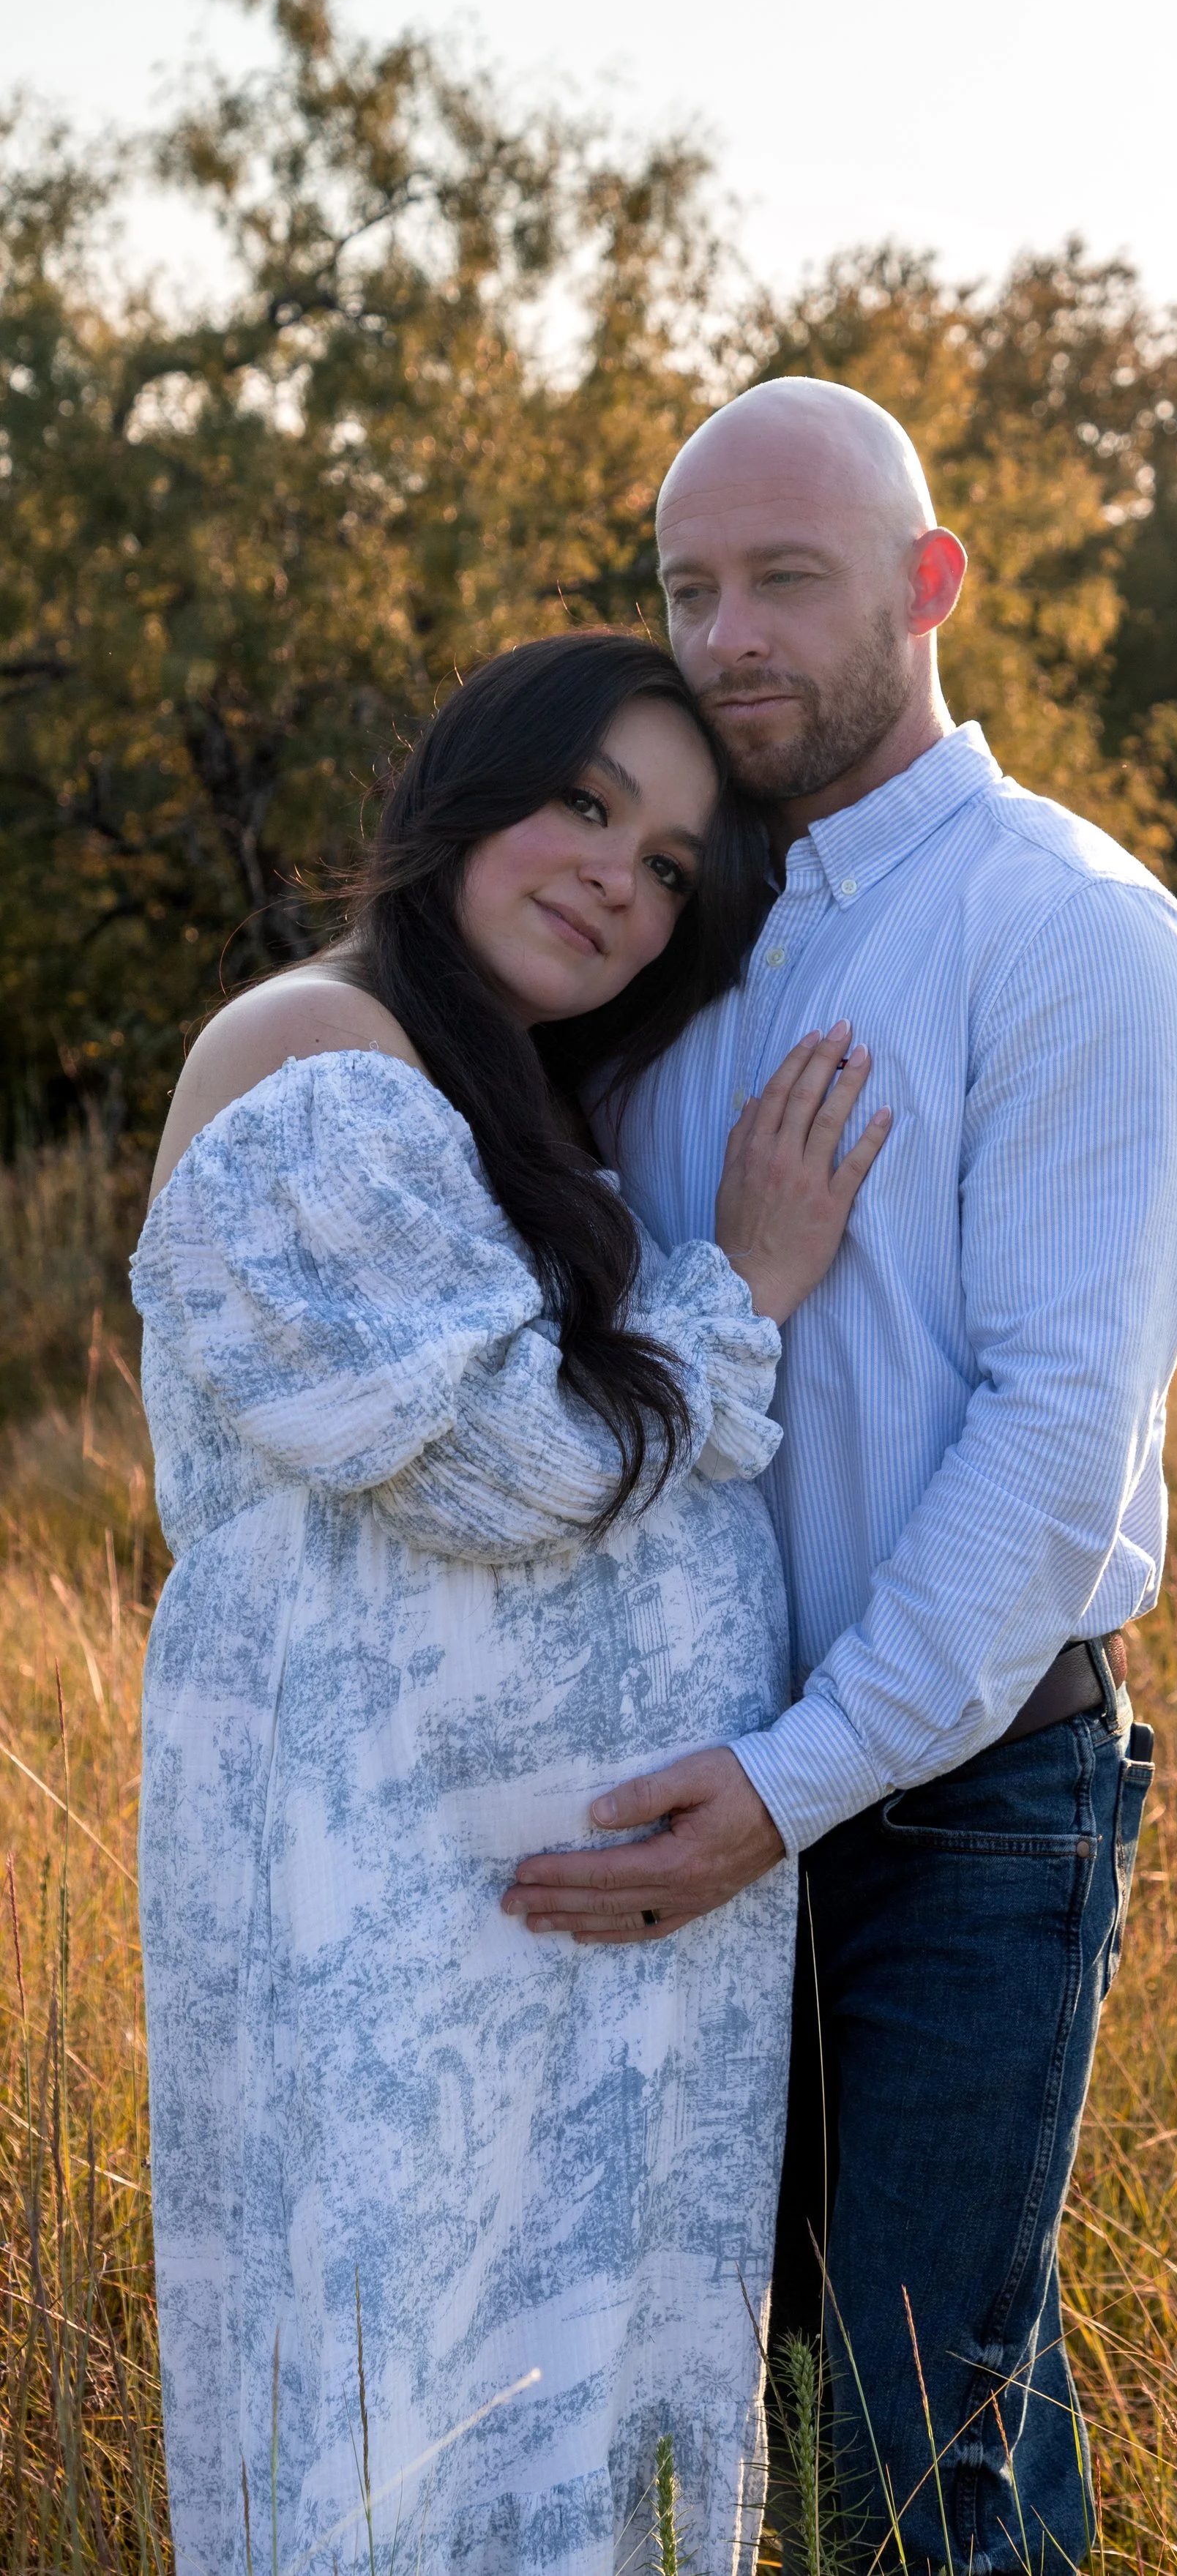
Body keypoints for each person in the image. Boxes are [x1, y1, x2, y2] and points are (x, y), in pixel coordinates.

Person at [505, 387, 1177, 2569]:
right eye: (685, 587)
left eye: (783, 581)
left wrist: (801, 1775)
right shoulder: (670, 938)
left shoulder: (1072, 933)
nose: (723, 636)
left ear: (929, 589)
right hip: (706, 1772)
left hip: (968, 1798)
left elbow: (1047, 1439)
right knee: (835, 2395)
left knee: (898, 2440)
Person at [132, 632, 889, 2576]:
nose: (617, 882)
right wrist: (751, 1276)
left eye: (664, 866)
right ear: (466, 793)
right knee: (390, 2450)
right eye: (585, 804)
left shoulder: (481, 1090)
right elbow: (501, 1464)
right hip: (384, 1926)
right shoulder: (318, 1056)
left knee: (544, 2464)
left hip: (537, 1959)